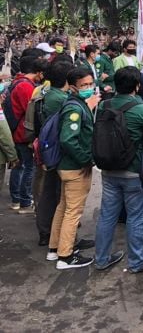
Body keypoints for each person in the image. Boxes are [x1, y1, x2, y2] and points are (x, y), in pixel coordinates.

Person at [93, 67, 143, 272]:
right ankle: (137, 262)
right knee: (136, 218)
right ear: (137, 86)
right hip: (134, 172)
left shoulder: (103, 106)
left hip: (108, 169)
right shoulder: (142, 110)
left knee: (107, 216)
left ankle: (101, 258)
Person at [48, 66, 101, 269]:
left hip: (69, 166)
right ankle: (66, 256)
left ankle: (55, 248)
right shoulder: (74, 108)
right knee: (73, 211)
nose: (89, 87)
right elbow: (68, 140)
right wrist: (86, 159)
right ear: (73, 88)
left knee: (63, 207)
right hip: (75, 167)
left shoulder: (77, 104)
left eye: (90, 84)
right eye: (84, 85)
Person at [34, 62, 73, 247]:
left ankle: (47, 232)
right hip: (57, 151)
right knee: (58, 194)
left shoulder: (45, 93)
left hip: (47, 148)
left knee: (50, 192)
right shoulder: (61, 99)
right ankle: (56, 237)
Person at [7, 55, 46, 213]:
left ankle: (17, 199)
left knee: (20, 166)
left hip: (18, 131)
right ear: (38, 72)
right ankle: (23, 201)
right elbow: (30, 112)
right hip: (22, 133)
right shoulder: (26, 87)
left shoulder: (19, 81)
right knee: (27, 167)